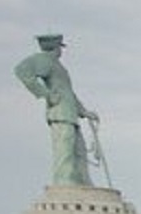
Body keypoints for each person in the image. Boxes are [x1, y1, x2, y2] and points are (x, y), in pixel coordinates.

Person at [13, 34, 98, 187]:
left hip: (70, 113)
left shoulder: (58, 66)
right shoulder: (44, 59)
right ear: (55, 47)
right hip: (59, 112)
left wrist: (84, 111)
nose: (61, 50)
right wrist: (46, 94)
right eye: (60, 47)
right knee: (64, 148)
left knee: (78, 150)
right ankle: (64, 180)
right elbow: (22, 70)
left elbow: (68, 92)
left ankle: (81, 180)